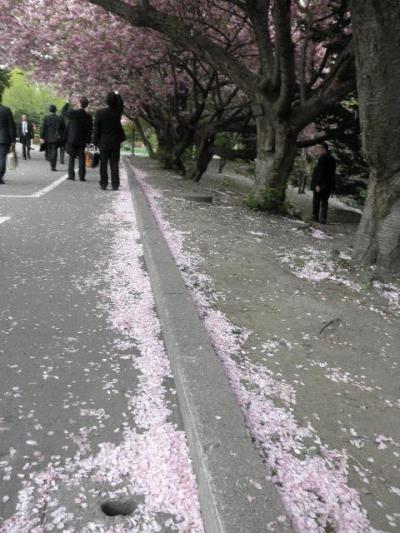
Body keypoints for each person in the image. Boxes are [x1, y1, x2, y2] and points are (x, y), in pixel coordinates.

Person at [94, 91, 126, 190]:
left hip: (103, 142)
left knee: (103, 164)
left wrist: (94, 142)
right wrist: (117, 94)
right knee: (114, 164)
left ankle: (103, 184)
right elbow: (121, 103)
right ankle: (115, 185)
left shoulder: (99, 113)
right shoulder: (117, 112)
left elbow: (96, 129)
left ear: (106, 101)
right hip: (115, 142)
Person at [62, 98, 93, 181]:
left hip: (72, 139)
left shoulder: (73, 113)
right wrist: (88, 141)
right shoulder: (88, 116)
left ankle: (71, 176)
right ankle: (82, 176)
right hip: (82, 140)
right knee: (82, 158)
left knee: (71, 158)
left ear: (79, 104)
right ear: (86, 105)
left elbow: (63, 112)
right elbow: (90, 130)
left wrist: (67, 103)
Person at [311, 143, 336, 224]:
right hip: (329, 184)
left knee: (316, 200)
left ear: (324, 149)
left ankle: (315, 217)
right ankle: (323, 218)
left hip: (321, 184)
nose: (318, 150)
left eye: (319, 149)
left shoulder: (322, 158)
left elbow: (321, 172)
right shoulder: (332, 159)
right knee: (325, 201)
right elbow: (332, 174)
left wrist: (318, 184)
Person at [40, 105, 65, 171]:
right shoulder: (59, 118)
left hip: (47, 137)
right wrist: (62, 136)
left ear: (49, 110)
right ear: (55, 110)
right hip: (56, 138)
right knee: (54, 151)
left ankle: (50, 159)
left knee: (49, 150)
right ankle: (53, 166)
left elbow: (43, 128)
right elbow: (63, 128)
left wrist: (42, 137)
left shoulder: (46, 118)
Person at [0, 94, 16, 184]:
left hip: (3, 138)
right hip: (4, 138)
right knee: (2, 157)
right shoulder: (6, 110)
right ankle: (0, 176)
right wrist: (13, 140)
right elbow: (11, 126)